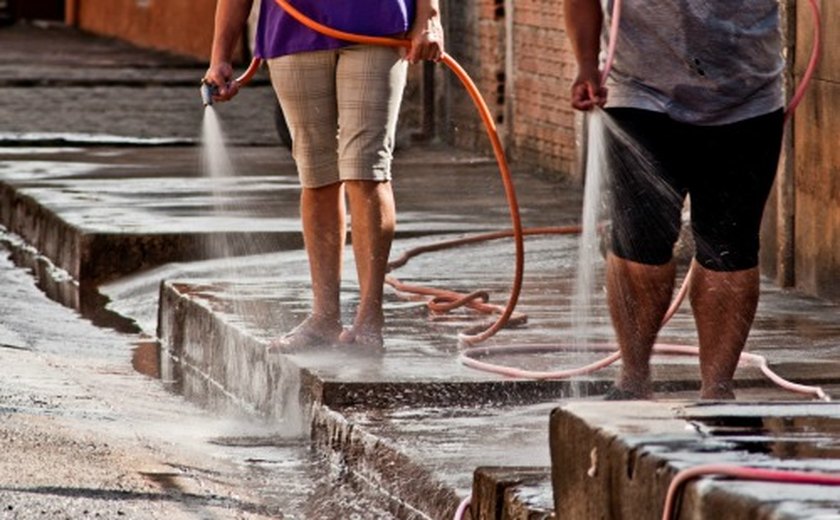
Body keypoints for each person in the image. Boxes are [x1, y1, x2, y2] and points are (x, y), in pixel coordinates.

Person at [564, 0, 786, 399]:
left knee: (730, 247)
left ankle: (717, 389)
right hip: (639, 93)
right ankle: (633, 378)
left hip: (747, 96)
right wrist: (585, 66)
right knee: (640, 242)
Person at [205, 0, 444, 349]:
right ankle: (324, 319)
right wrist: (220, 55)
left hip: (376, 23)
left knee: (367, 169)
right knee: (316, 175)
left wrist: (429, 17)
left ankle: (369, 320)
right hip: (293, 32)